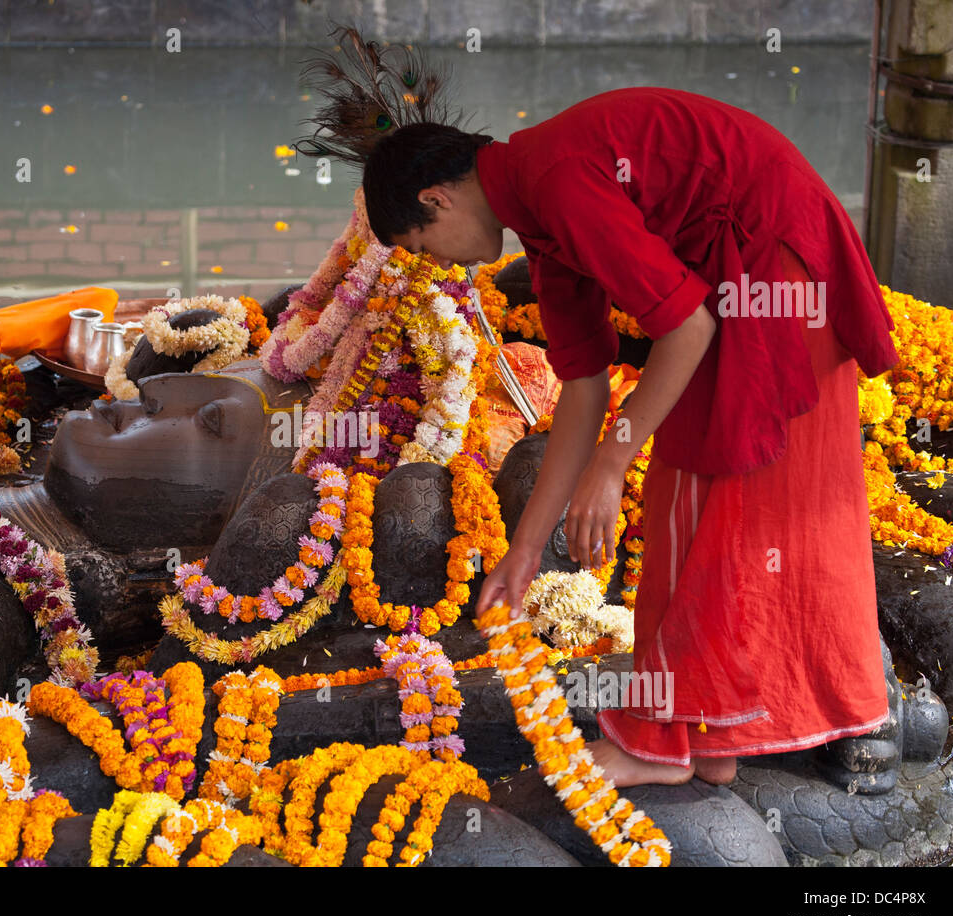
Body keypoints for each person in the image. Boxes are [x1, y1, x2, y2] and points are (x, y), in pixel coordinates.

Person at [361, 87, 900, 787]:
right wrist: (523, 554)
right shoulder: (539, 219)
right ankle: (707, 737)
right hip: (727, 276)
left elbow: (689, 328)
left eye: (420, 247)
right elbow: (584, 393)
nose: (440, 265)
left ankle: (667, 743)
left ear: (436, 200)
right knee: (688, 487)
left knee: (732, 500)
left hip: (776, 260)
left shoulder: (552, 179)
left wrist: (612, 466)